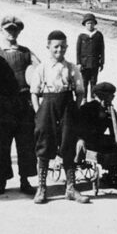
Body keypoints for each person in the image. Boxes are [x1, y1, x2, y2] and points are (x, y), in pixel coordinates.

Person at [31, 30, 89, 204]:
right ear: (48, 47)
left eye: (63, 47)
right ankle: (41, 189)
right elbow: (34, 92)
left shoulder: (72, 68)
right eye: (56, 47)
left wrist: (73, 110)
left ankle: (71, 188)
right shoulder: (42, 68)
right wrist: (38, 112)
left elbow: (80, 92)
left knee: (68, 144)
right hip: (47, 105)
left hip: (67, 106)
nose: (59, 50)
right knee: (44, 144)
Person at [0, 16, 39, 195]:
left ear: (19, 31)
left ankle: (25, 180)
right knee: (3, 144)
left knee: (25, 143)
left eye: (15, 29)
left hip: (24, 104)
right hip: (4, 103)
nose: (12, 33)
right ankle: (1, 181)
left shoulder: (26, 52)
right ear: (2, 31)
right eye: (8, 29)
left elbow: (39, 68)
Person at [75, 82, 117, 187]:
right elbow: (80, 128)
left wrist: (112, 119)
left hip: (98, 139)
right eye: (111, 96)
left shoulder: (110, 110)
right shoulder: (87, 108)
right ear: (103, 96)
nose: (113, 98)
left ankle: (113, 172)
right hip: (88, 140)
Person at [76, 13, 105, 103]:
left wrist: (102, 62)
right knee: (84, 82)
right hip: (84, 64)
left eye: (92, 23)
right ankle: (84, 99)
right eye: (88, 23)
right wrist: (79, 63)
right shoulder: (82, 36)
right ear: (84, 24)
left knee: (93, 81)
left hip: (94, 63)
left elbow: (102, 49)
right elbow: (78, 50)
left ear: (95, 24)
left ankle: (92, 98)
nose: (90, 25)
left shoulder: (98, 35)